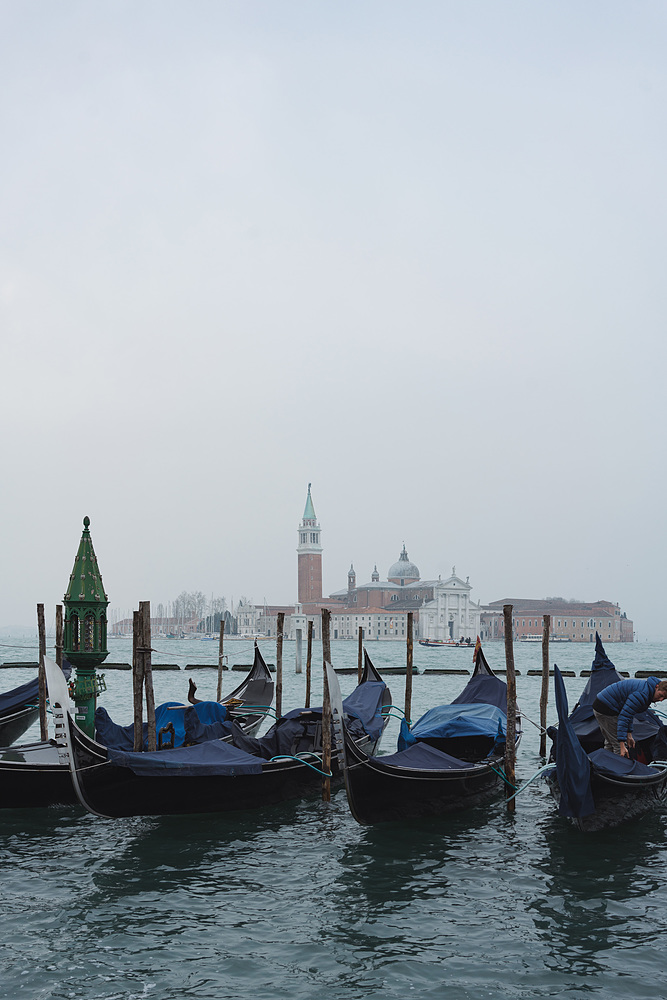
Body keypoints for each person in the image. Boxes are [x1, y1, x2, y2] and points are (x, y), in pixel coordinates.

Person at [592, 676, 667, 757]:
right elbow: (624, 717)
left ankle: (604, 764)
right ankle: (619, 768)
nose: (661, 700)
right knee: (619, 746)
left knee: (610, 743)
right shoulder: (642, 694)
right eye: (660, 695)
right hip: (606, 708)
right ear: (657, 687)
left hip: (604, 704)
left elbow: (630, 713)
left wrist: (629, 734)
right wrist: (622, 743)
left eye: (664, 698)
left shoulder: (648, 689)